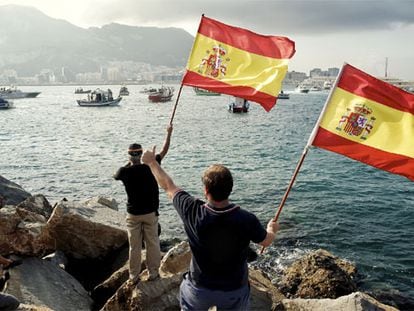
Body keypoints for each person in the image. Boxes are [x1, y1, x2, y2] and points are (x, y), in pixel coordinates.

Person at [141, 147, 279, 310]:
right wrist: (272, 228)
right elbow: (266, 241)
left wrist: (151, 163)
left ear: (206, 190)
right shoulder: (246, 218)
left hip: (199, 288)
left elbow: (168, 185)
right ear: (231, 189)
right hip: (234, 289)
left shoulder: (191, 210)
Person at [114, 125, 173, 285]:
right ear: (141, 155)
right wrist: (168, 133)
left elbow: (116, 175)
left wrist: (130, 162)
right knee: (153, 243)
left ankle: (133, 277)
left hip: (133, 215)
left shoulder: (124, 172)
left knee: (134, 247)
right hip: (150, 213)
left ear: (129, 156)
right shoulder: (151, 165)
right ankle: (153, 273)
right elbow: (165, 149)